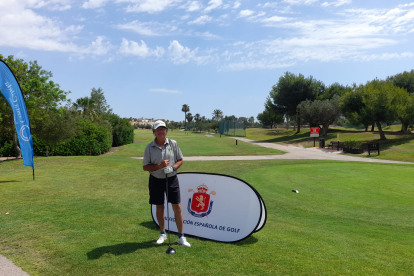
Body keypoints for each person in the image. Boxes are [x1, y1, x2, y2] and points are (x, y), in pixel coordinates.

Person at [142, 120, 191, 247]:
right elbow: (145, 167)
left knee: (177, 207)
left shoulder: (173, 143)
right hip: (156, 180)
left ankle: (181, 236)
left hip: (171, 179)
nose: (161, 131)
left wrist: (173, 168)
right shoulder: (149, 147)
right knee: (159, 207)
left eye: (163, 129)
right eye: (158, 129)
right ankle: (162, 233)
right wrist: (159, 166)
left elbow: (180, 160)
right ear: (154, 132)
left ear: (166, 131)